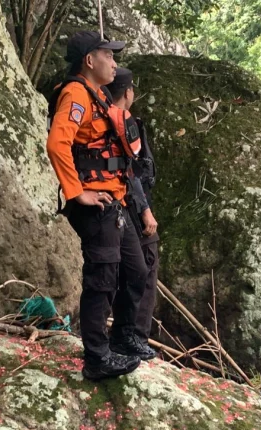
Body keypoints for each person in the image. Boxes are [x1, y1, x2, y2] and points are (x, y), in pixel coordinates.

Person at [46, 31, 154, 381]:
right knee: (102, 278)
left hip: (115, 202)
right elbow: (57, 143)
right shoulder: (76, 94)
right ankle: (96, 357)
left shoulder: (100, 96)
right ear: (90, 61)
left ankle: (124, 335)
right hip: (95, 204)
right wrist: (77, 193)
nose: (114, 62)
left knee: (137, 269)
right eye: (109, 55)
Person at [107, 68, 160, 351]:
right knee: (144, 267)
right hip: (130, 207)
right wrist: (145, 210)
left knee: (127, 271)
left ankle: (126, 334)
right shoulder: (121, 122)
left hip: (117, 206)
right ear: (128, 92)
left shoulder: (105, 118)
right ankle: (134, 336)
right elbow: (131, 173)